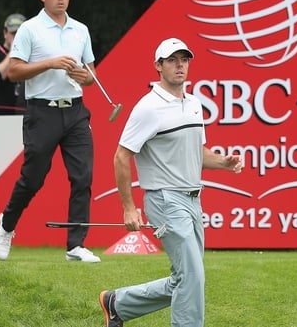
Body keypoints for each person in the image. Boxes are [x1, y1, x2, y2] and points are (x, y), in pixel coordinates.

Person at [99, 38, 244, 327]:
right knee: (192, 276)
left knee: (186, 277)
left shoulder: (193, 104)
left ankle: (118, 304)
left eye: (184, 59)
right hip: (164, 200)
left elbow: (198, 154)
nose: (180, 65)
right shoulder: (148, 107)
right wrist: (129, 208)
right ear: (158, 66)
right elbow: (121, 157)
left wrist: (223, 163)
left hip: (193, 199)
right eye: (172, 60)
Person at [0, 0, 99, 263]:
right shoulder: (29, 29)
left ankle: (75, 245)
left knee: (83, 176)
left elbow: (91, 75)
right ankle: (7, 225)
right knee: (33, 178)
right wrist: (51, 63)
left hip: (76, 110)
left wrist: (83, 75)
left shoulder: (80, 30)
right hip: (42, 111)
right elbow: (13, 71)